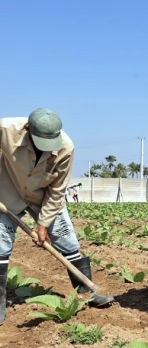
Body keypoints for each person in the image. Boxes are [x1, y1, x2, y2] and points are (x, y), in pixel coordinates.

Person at [0, 109, 114, 326]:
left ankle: (86, 290)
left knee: (66, 240)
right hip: (7, 192)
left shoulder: (65, 147)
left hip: (43, 196)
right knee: (0, 245)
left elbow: (57, 190)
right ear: (27, 129)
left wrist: (43, 224)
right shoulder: (6, 129)